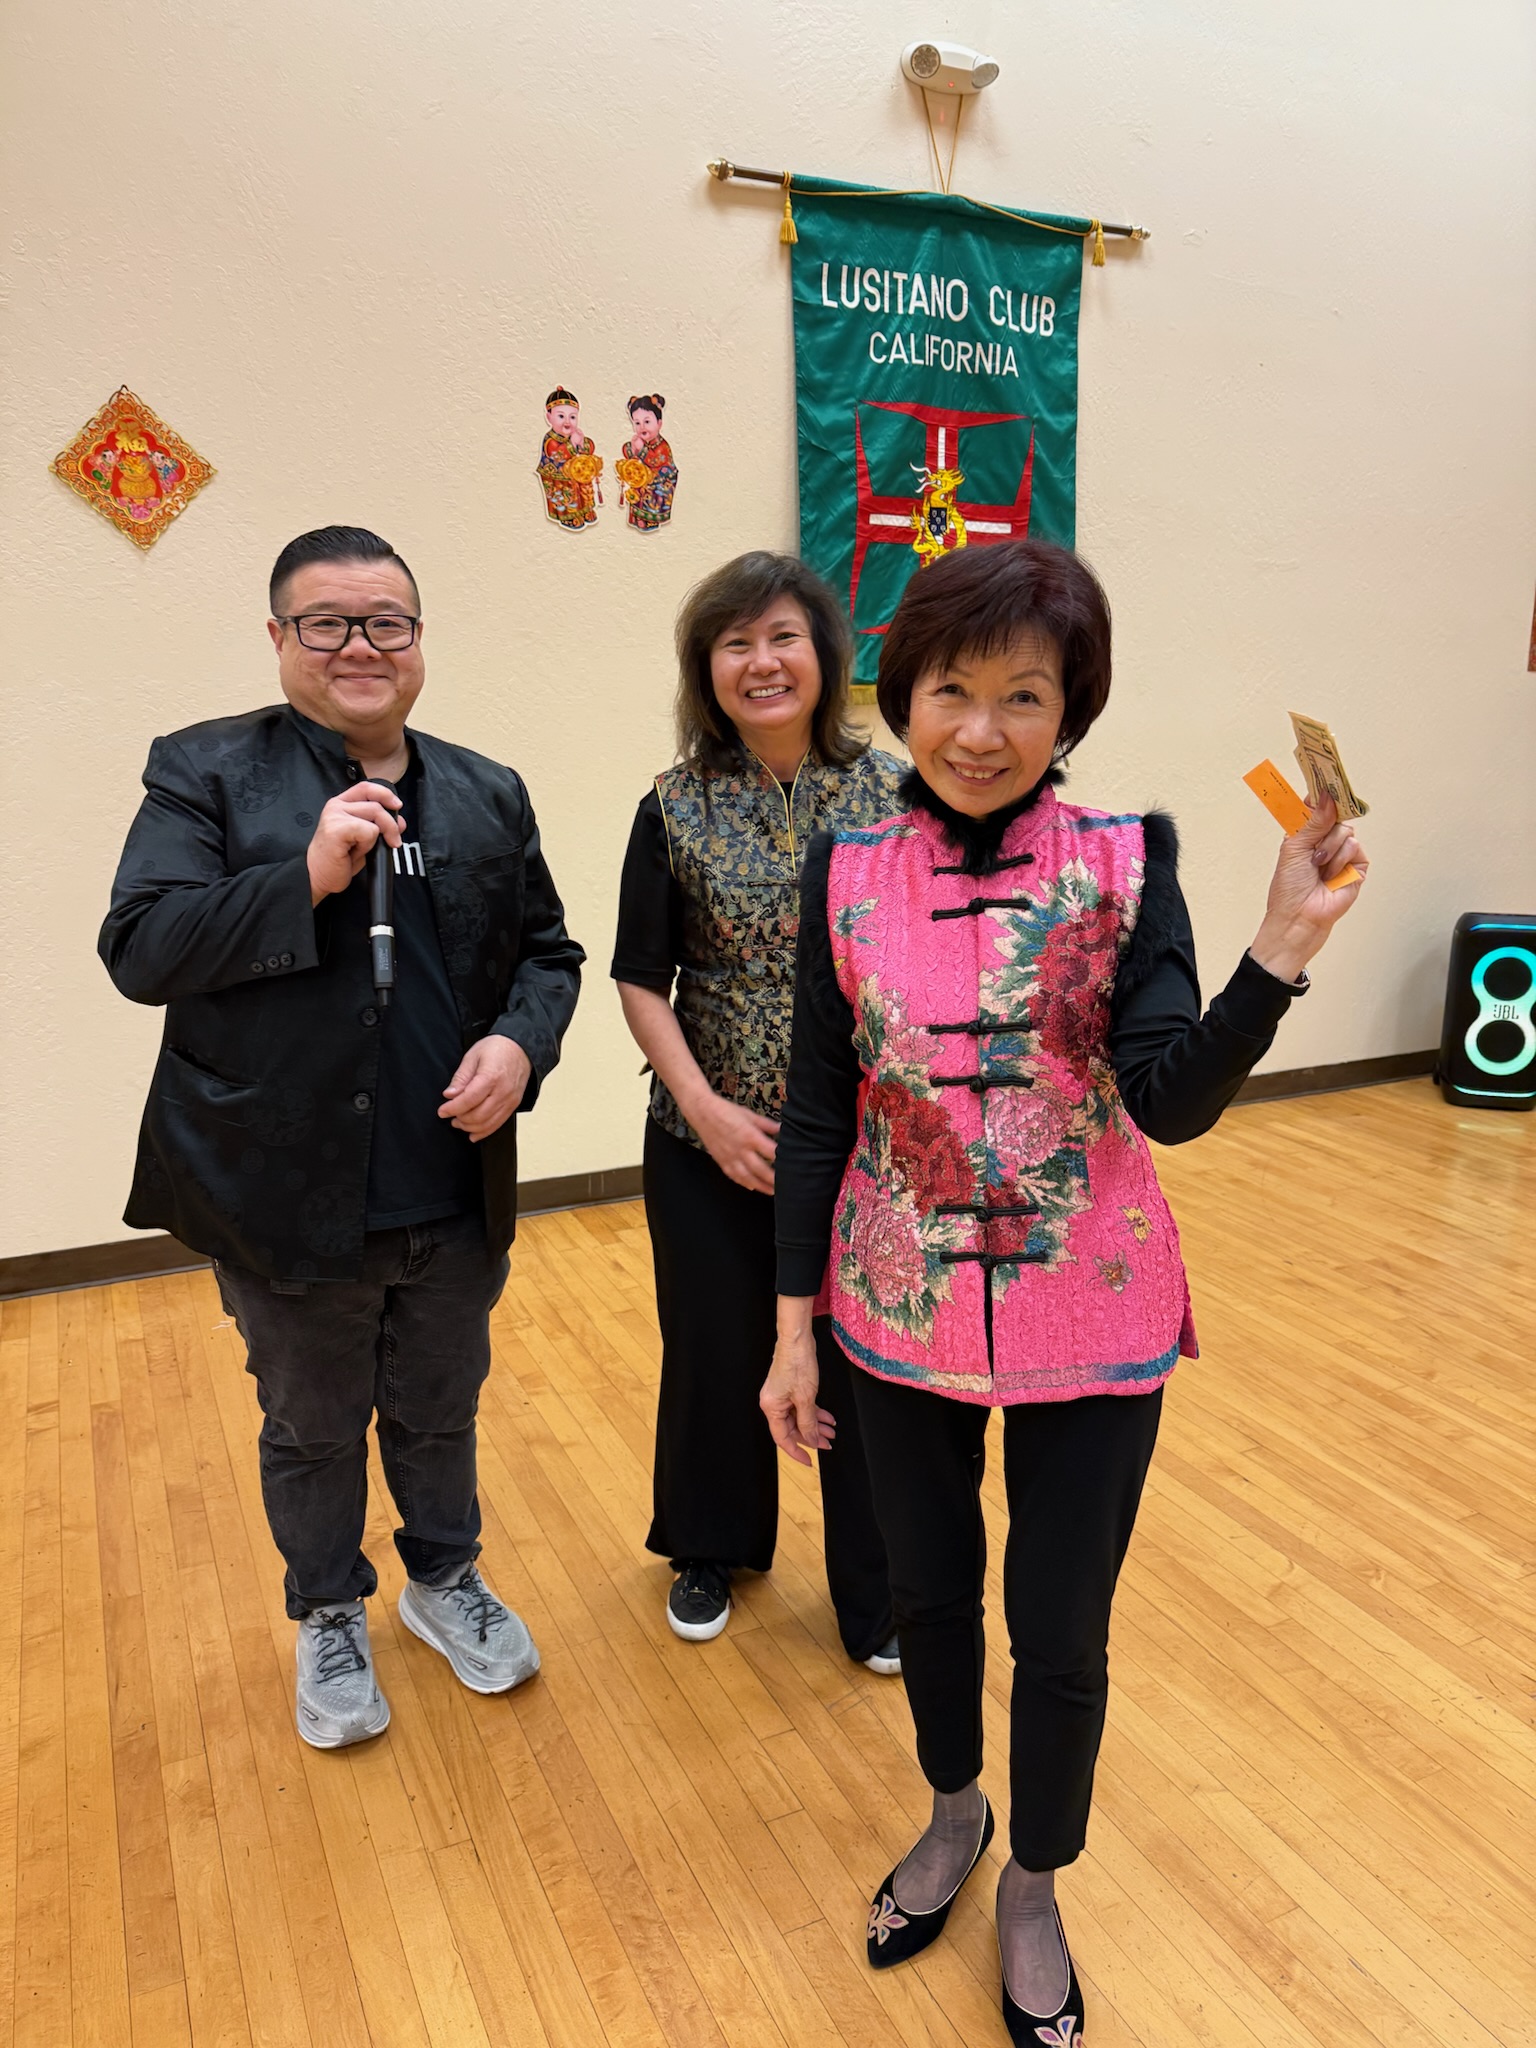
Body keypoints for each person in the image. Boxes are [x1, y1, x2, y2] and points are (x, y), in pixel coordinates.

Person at [760, 539, 1367, 2042]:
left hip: (1093, 1307)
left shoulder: (1128, 858)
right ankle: (955, 1809)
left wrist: (1276, 953)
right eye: (951, 691)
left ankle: (1035, 1878)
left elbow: (1168, 1102)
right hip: (895, 1306)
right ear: (902, 695)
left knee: (1063, 1621)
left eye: (1024, 695)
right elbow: (820, 1112)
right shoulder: (844, 873)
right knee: (925, 1589)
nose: (982, 730)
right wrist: (791, 1327)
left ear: (1069, 710)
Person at [100, 525, 584, 1750]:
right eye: (327, 622)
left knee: (439, 1405)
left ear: (419, 639)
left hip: (450, 1185)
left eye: (387, 622)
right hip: (283, 1192)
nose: (360, 645)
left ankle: (444, 1576)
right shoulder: (206, 773)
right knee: (312, 1424)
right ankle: (327, 1607)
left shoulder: (486, 788)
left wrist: (521, 1045)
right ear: (279, 637)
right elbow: (141, 949)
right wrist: (306, 874)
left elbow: (548, 953)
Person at [612, 550, 903, 1660]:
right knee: (715, 1345)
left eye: (783, 636)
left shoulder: (895, 795)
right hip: (710, 1137)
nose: (762, 661)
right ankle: (708, 1545)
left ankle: (879, 1591)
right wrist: (706, 1108)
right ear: (708, 669)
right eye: (736, 643)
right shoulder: (672, 804)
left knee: (866, 1357)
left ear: (824, 655)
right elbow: (642, 975)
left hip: (871, 1143)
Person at [536, 386, 602, 529]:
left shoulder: (575, 434)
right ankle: (569, 517)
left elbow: (589, 448)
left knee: (583, 490)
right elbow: (556, 454)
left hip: (576, 473)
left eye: (572, 417)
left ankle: (586, 511)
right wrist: (572, 444)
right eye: (561, 416)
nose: (567, 422)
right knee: (567, 495)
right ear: (549, 417)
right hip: (558, 477)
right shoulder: (550, 439)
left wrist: (582, 442)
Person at [617, 394, 677, 532]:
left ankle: (650, 521)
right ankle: (639, 519)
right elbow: (630, 455)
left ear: (659, 423)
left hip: (658, 485)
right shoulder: (640, 441)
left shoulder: (662, 446)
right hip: (642, 484)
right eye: (637, 423)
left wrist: (641, 449)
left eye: (647, 422)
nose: (642, 427)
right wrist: (633, 448)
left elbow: (655, 460)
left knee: (649, 504)